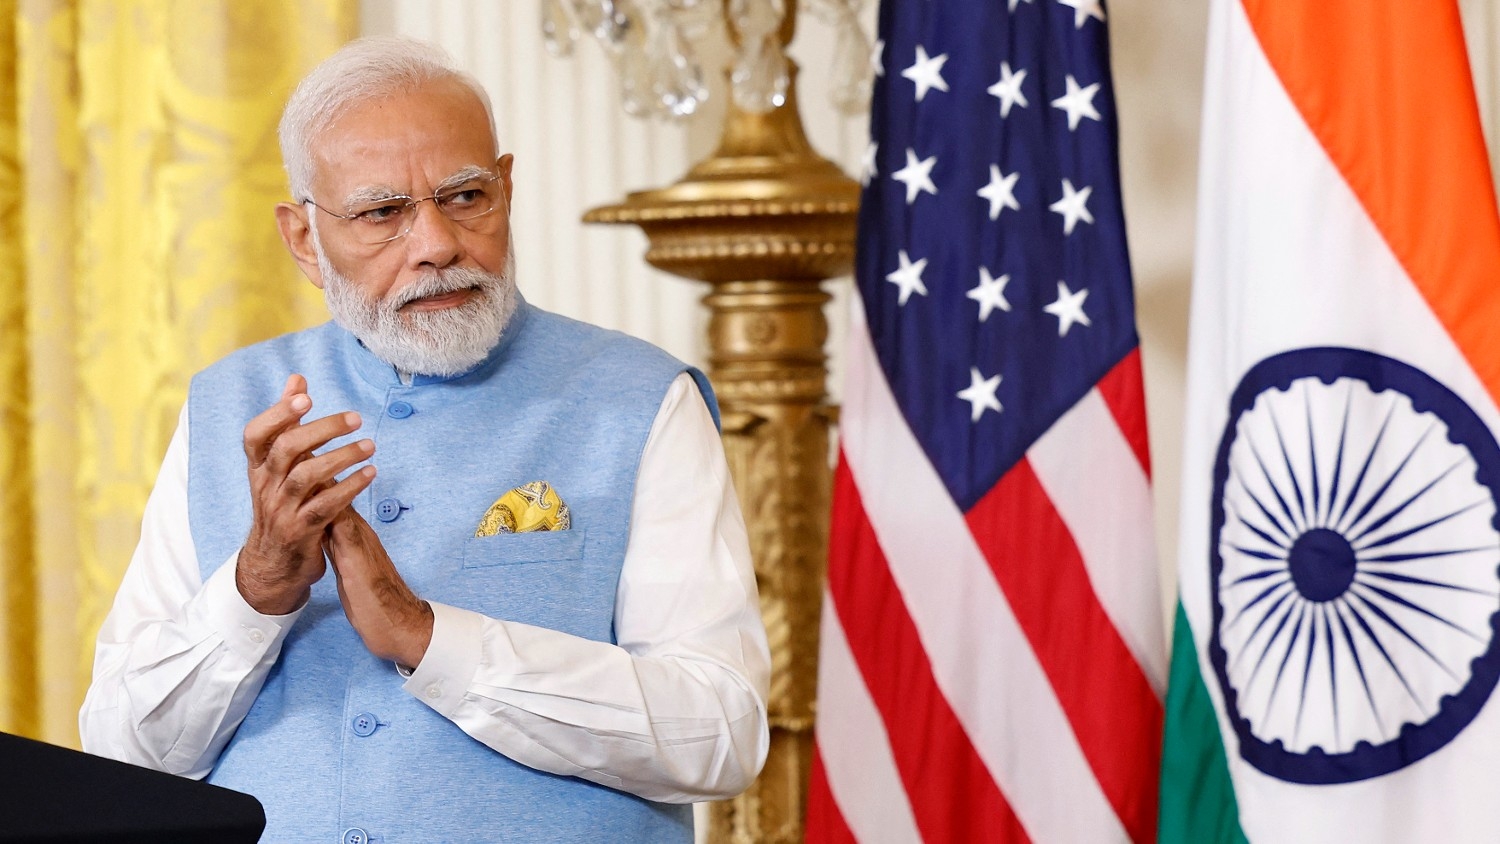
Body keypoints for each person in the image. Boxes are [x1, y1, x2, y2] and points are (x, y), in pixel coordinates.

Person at [79, 36, 770, 843]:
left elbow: (722, 734)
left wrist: (427, 637)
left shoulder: (640, 399)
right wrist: (257, 587)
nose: (438, 244)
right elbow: (126, 754)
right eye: (383, 213)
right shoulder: (229, 406)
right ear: (304, 239)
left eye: (466, 196)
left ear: (506, 189)